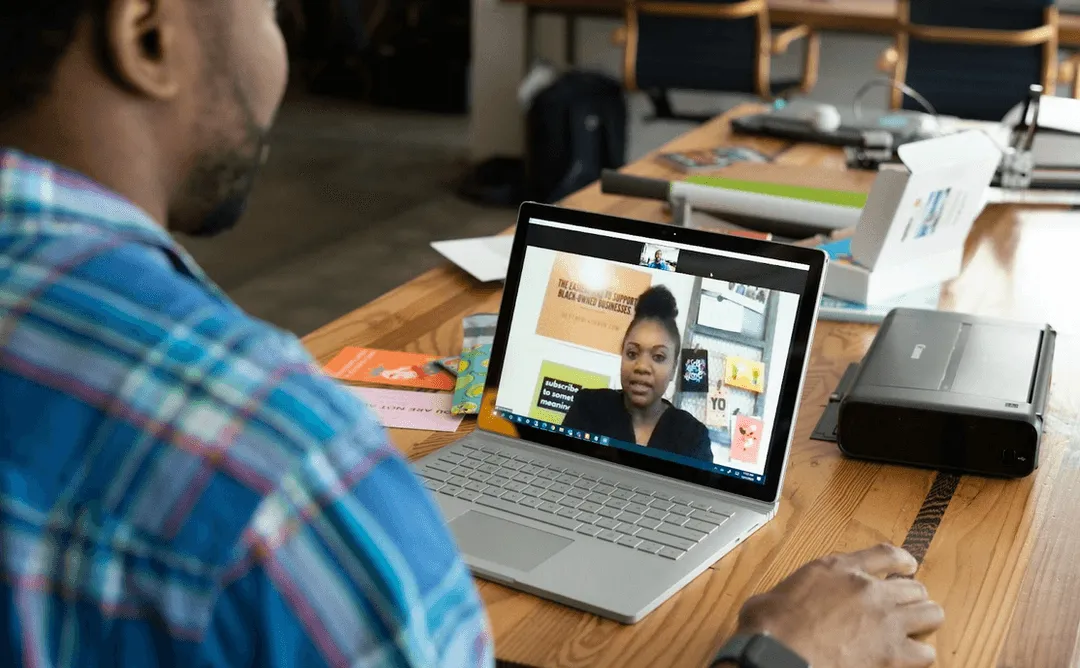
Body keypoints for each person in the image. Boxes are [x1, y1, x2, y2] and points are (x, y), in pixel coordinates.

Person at [0, 2, 942, 667]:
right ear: (148, 33)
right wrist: (778, 655)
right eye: (269, 11)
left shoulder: (693, 436)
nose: (281, 54)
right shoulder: (276, 468)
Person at [563, 286, 714, 462]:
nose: (642, 366)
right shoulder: (588, 407)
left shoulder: (693, 437)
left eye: (658, 357)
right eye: (632, 354)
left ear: (673, 369)